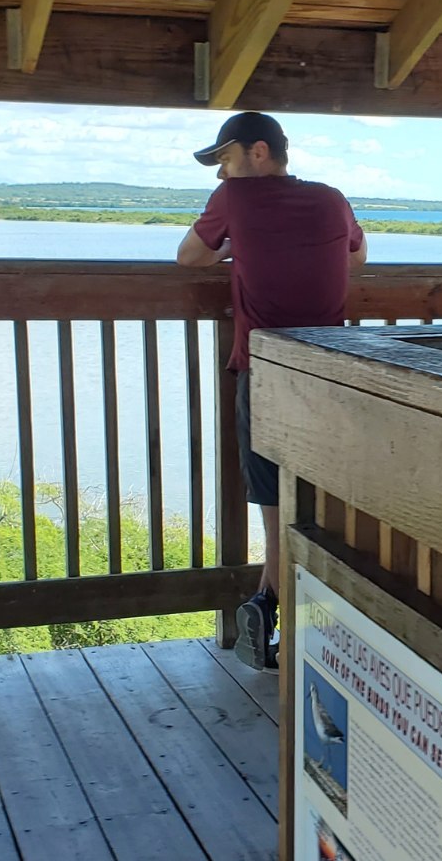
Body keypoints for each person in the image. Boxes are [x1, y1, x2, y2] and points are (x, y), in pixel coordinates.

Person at [177, 112, 367, 671]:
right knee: (320, 508)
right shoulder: (332, 199)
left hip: (265, 375)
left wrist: (240, 253)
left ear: (258, 151)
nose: (220, 175)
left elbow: (190, 257)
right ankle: (273, 613)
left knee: (276, 512)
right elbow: (356, 257)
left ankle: (269, 615)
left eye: (225, 160)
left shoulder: (236, 200)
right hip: (330, 373)